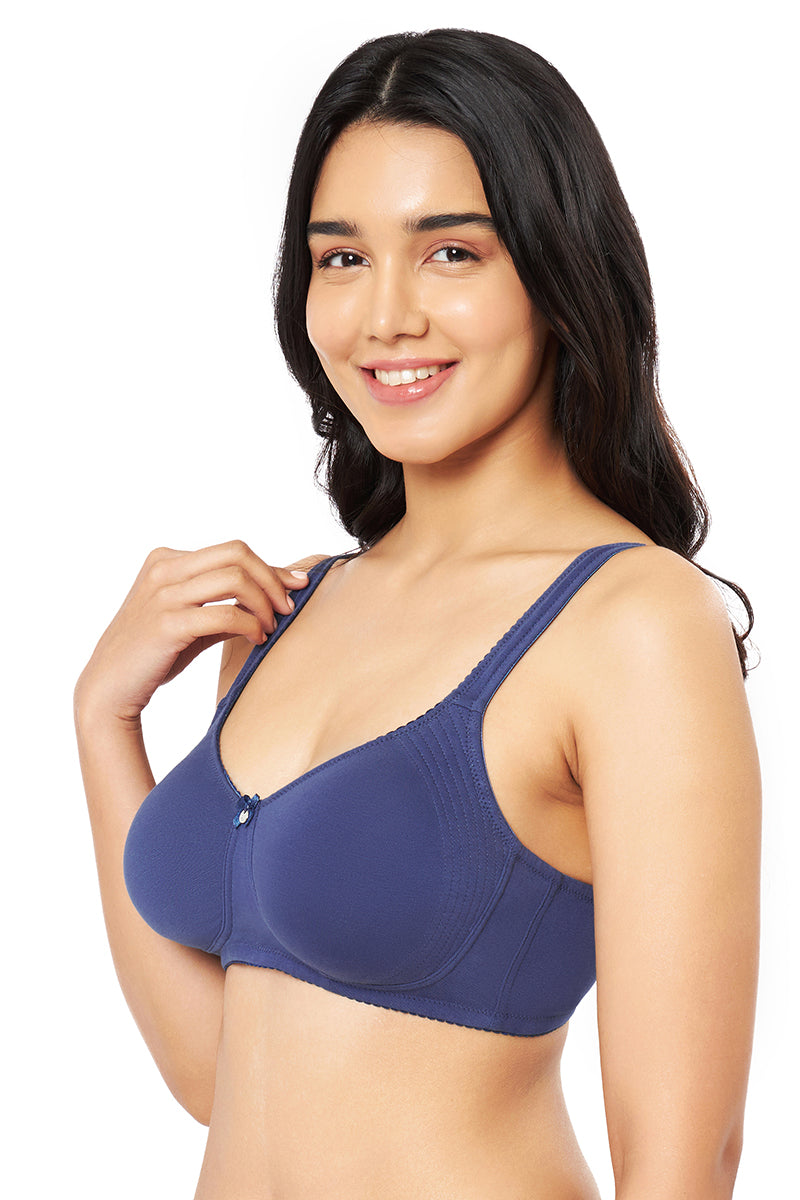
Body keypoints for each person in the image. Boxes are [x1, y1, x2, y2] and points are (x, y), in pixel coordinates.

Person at [74, 28, 761, 1200]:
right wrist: (102, 720)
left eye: (449, 252)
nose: (384, 317)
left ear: (554, 270)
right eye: (341, 259)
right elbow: (220, 1075)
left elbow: (683, 1158)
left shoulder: (631, 623)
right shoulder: (293, 610)